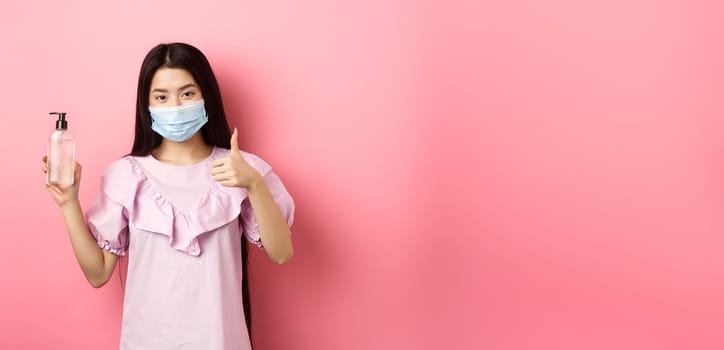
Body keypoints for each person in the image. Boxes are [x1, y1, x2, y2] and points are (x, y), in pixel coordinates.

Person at [42, 42, 295, 350]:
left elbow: (281, 252)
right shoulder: (124, 176)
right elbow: (97, 274)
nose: (175, 106)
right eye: (161, 96)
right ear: (146, 105)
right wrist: (68, 202)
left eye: (187, 93)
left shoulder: (243, 169)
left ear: (206, 96)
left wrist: (254, 184)